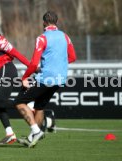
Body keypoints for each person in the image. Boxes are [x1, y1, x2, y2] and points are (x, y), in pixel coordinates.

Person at [14, 11, 77, 148]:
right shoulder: (65, 37)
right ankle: (32, 138)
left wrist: (24, 77)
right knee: (39, 106)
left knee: (19, 102)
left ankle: (36, 132)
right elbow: (72, 57)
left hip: (46, 78)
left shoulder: (42, 38)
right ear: (57, 22)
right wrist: (58, 64)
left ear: (43, 23)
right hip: (60, 79)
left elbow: (33, 63)